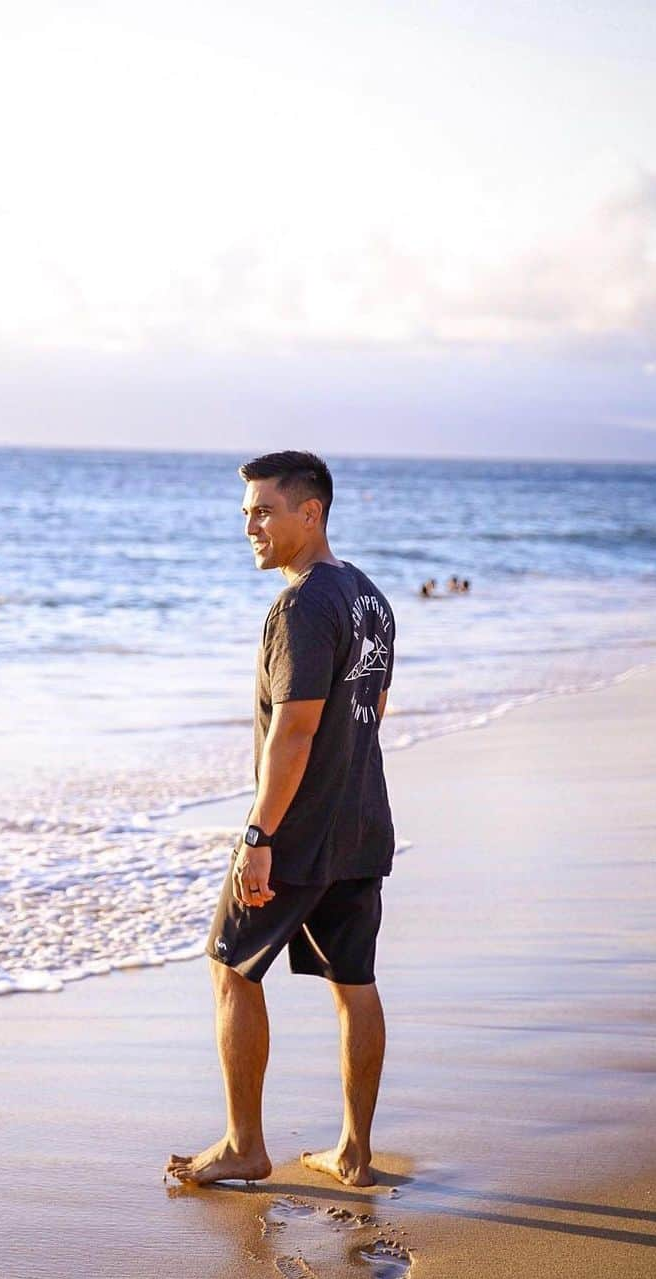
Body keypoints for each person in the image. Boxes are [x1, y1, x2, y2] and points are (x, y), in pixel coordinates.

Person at [166, 451, 395, 1189]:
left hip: (298, 833)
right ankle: (354, 1153)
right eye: (245, 514)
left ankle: (244, 1145)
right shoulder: (371, 599)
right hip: (361, 824)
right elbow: (371, 717)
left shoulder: (301, 607)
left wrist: (259, 837)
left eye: (264, 511)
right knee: (353, 982)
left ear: (311, 512)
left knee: (230, 968)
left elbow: (293, 732)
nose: (250, 527)